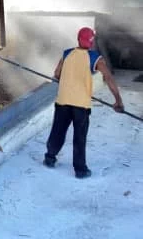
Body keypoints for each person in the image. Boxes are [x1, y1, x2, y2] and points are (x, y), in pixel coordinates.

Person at [43, 27, 125, 178]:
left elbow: (56, 74)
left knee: (57, 131)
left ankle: (49, 158)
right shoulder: (96, 58)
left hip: (63, 101)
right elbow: (108, 78)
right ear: (92, 42)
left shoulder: (67, 53)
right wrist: (118, 101)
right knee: (79, 137)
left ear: (78, 39)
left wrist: (68, 81)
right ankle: (80, 170)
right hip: (81, 105)